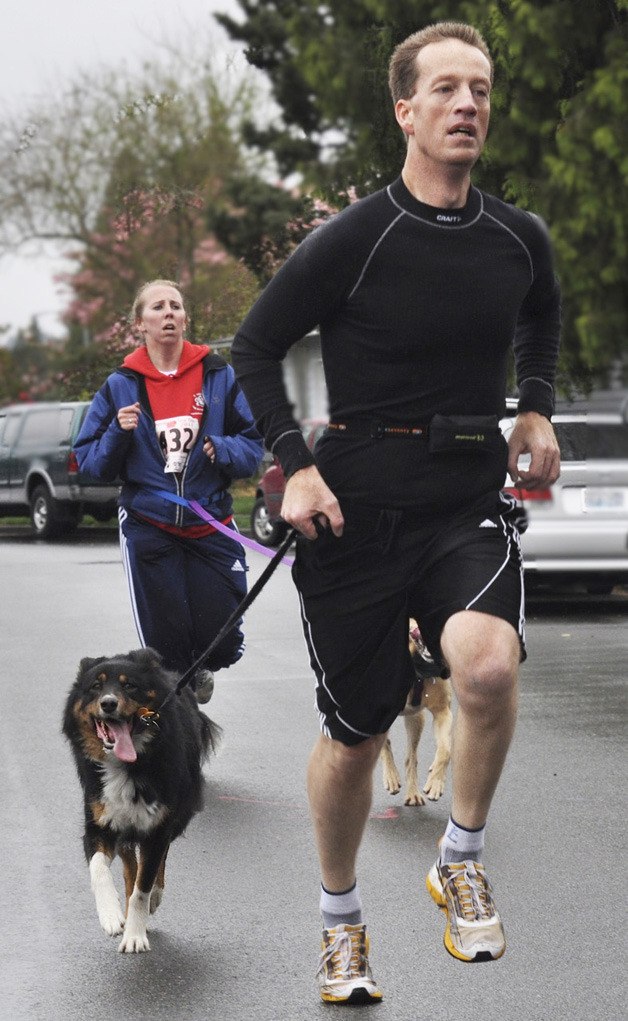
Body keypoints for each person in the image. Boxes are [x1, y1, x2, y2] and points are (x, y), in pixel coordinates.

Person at [231, 20, 561, 1005]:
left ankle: (460, 854)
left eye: (482, 90)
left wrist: (535, 400)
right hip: (353, 514)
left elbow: (541, 305)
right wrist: (293, 468)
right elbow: (255, 346)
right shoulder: (353, 239)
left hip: (464, 498)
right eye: (448, 89)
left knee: (488, 665)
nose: (469, 105)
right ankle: (340, 924)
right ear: (405, 110)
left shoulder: (517, 237)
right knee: (356, 738)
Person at [74, 279, 263, 703]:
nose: (169, 314)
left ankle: (202, 670)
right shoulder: (121, 384)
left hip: (210, 520)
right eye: (158, 307)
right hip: (149, 523)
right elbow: (90, 461)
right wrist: (118, 435)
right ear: (140, 324)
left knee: (224, 637)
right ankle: (178, 740)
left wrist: (224, 449)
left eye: (176, 306)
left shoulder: (217, 374)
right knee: (164, 649)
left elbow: (253, 442)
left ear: (185, 319)